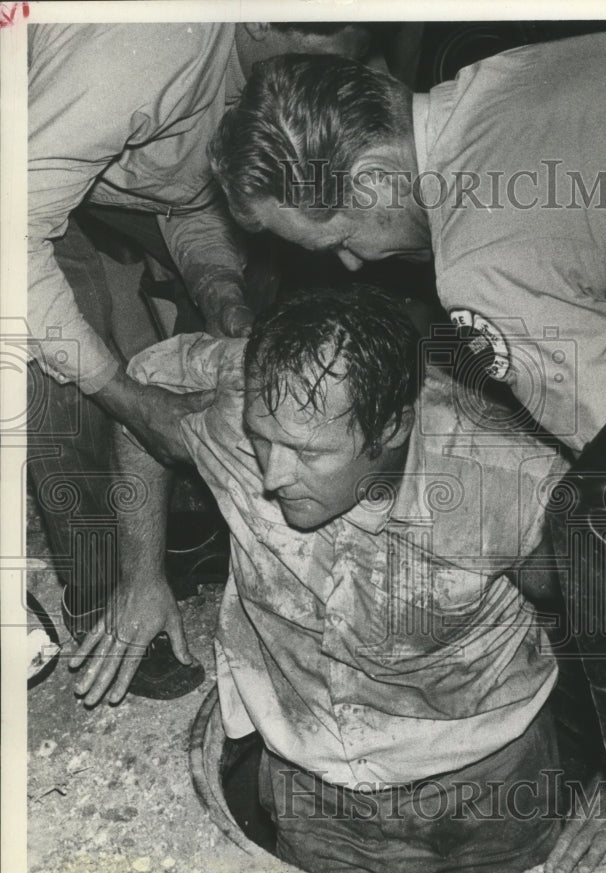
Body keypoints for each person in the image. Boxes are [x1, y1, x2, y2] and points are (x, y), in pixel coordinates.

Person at [207, 29, 606, 873]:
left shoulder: (482, 263)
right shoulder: (488, 89)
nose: (352, 266)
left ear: (375, 176)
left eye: (342, 238)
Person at [67, 285, 606, 873]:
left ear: (392, 427)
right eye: (263, 439)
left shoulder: (505, 484)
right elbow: (142, 405)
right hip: (309, 793)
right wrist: (141, 576)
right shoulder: (243, 397)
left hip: (485, 797)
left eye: (309, 453)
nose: (273, 475)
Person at [26, 22, 395, 698]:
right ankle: (110, 592)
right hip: (18, 188)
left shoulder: (265, 78)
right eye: (339, 40)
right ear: (258, 17)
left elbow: (183, 199)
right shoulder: (144, 50)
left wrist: (220, 289)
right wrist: (123, 394)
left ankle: (190, 508)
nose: (351, 61)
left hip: (88, 174)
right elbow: (13, 229)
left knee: (270, 268)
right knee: (58, 363)